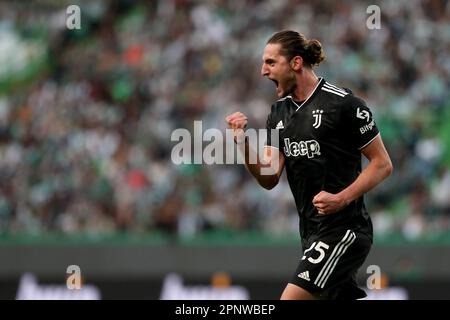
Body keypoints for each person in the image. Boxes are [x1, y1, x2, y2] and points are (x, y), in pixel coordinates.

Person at [225, 30, 393, 300]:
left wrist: (341, 198)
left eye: (270, 62)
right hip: (311, 233)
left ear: (296, 63)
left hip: (345, 231)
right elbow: (269, 178)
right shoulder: (279, 113)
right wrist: (243, 143)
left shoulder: (343, 104)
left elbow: (382, 164)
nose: (263, 71)